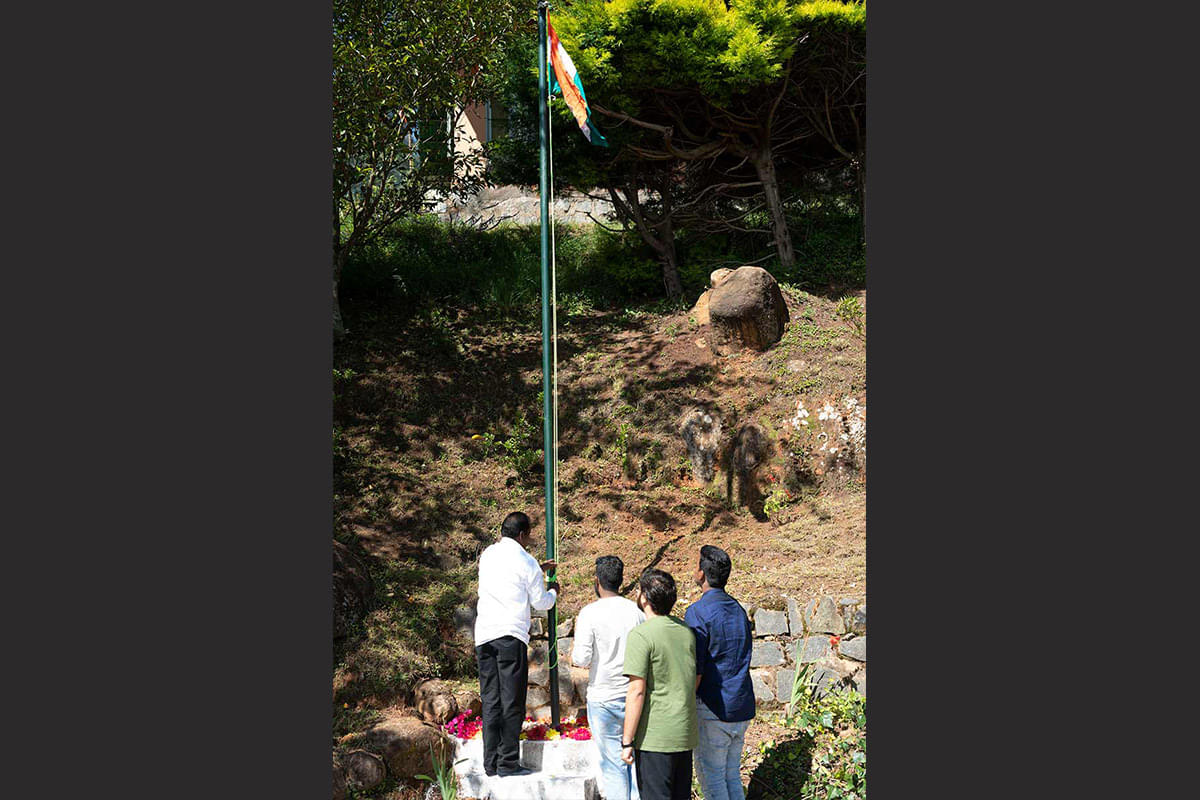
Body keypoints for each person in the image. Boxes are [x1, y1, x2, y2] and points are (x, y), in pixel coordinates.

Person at [473, 511, 558, 777]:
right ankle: (508, 763)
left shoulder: (488, 554)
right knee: (511, 701)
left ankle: (490, 763)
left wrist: (537, 570)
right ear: (522, 535)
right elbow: (541, 602)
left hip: (484, 636)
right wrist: (553, 591)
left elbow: (507, 578)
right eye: (529, 536)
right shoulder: (526, 561)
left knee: (491, 700)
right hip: (510, 636)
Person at [620, 568, 699, 800]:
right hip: (683, 734)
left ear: (645, 597)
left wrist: (627, 741)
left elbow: (636, 691)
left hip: (654, 738)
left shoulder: (641, 635)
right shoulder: (686, 632)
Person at [684, 546, 756, 800]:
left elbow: (696, 667)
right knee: (731, 776)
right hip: (741, 704)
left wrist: (685, 704)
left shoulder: (697, 612)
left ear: (702, 574)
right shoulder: (738, 609)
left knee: (712, 779)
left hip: (713, 707)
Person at [571, 556, 645, 800]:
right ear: (621, 580)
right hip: (634, 695)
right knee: (634, 759)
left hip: (603, 696)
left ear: (597, 581)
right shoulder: (636, 612)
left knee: (613, 765)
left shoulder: (589, 613)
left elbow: (581, 658)